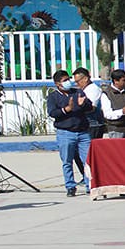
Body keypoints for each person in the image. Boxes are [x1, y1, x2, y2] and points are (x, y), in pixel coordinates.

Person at [45, 68, 95, 197]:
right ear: (57, 84)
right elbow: (52, 113)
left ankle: (89, 185)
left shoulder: (77, 92)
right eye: (65, 80)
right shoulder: (53, 96)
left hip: (83, 132)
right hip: (65, 133)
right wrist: (67, 109)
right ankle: (70, 186)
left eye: (68, 79)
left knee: (87, 161)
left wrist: (83, 104)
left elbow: (90, 107)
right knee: (67, 161)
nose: (68, 82)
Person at [96, 68, 125, 137]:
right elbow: (107, 114)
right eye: (124, 80)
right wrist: (122, 112)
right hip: (116, 130)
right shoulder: (107, 94)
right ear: (116, 81)